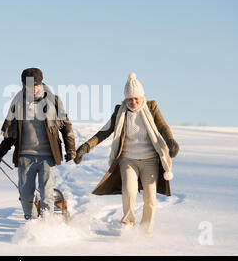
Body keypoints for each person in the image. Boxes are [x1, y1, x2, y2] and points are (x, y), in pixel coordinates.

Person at [74, 73, 179, 236]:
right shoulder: (120, 112)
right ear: (125, 99)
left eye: (136, 98)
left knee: (150, 198)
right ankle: (128, 225)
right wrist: (86, 146)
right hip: (127, 159)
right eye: (130, 99)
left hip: (150, 160)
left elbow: (163, 128)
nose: (133, 102)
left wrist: (171, 142)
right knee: (129, 191)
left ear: (142, 97)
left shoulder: (151, 108)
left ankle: (146, 231)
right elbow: (104, 132)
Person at [0, 68, 76, 220]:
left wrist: (71, 149)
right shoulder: (18, 104)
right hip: (25, 156)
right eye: (28, 85)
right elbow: (11, 135)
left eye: (35, 85)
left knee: (46, 193)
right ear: (23, 85)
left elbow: (65, 126)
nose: (33, 88)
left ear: (40, 83)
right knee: (25, 194)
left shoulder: (53, 101)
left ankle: (46, 225)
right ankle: (32, 223)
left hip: (48, 156)